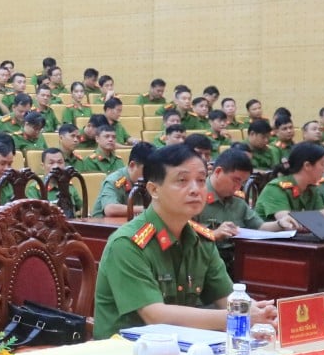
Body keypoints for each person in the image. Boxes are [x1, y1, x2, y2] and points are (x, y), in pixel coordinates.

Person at [92, 143, 277, 338]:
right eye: (182, 180)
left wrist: (264, 314)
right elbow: (155, 315)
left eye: (201, 180)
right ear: (154, 190)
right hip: (126, 349)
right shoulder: (128, 243)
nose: (196, 190)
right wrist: (239, 315)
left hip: (184, 346)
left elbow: (228, 297)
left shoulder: (201, 240)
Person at [195, 148, 289, 240]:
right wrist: (212, 234)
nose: (238, 187)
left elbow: (259, 226)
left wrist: (280, 224)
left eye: (243, 182)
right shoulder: (195, 196)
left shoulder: (237, 200)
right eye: (236, 180)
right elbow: (188, 233)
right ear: (218, 172)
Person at [254, 142, 324, 225]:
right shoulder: (276, 188)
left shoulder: (312, 188)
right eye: (322, 164)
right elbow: (290, 224)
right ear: (307, 165)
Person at [91, 141, 155, 218]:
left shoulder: (152, 180)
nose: (151, 174)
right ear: (132, 165)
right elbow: (110, 209)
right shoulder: (115, 180)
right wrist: (146, 209)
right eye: (147, 170)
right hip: (103, 224)